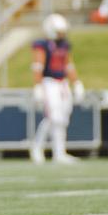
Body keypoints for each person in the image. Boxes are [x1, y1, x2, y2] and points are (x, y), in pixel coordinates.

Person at [30, 14, 85, 164]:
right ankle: (37, 147)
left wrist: (77, 83)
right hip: (49, 83)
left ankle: (59, 152)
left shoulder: (64, 45)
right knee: (52, 117)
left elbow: (68, 65)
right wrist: (37, 86)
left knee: (63, 118)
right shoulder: (42, 45)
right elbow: (38, 66)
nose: (62, 34)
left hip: (62, 83)